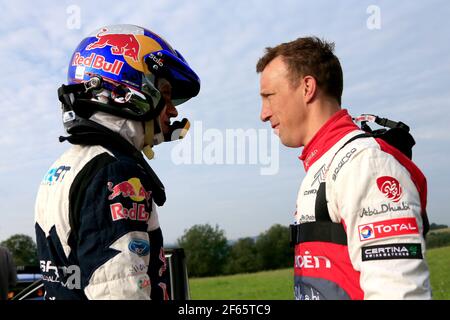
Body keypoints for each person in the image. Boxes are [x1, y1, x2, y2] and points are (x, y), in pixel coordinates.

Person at [256, 37, 431, 299]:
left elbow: (399, 293)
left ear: (307, 88)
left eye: (269, 96)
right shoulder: (326, 163)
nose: (263, 113)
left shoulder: (364, 163)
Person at [35, 24, 200, 300]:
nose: (172, 111)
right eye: (167, 94)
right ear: (127, 87)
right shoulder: (115, 172)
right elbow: (120, 293)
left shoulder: (62, 167)